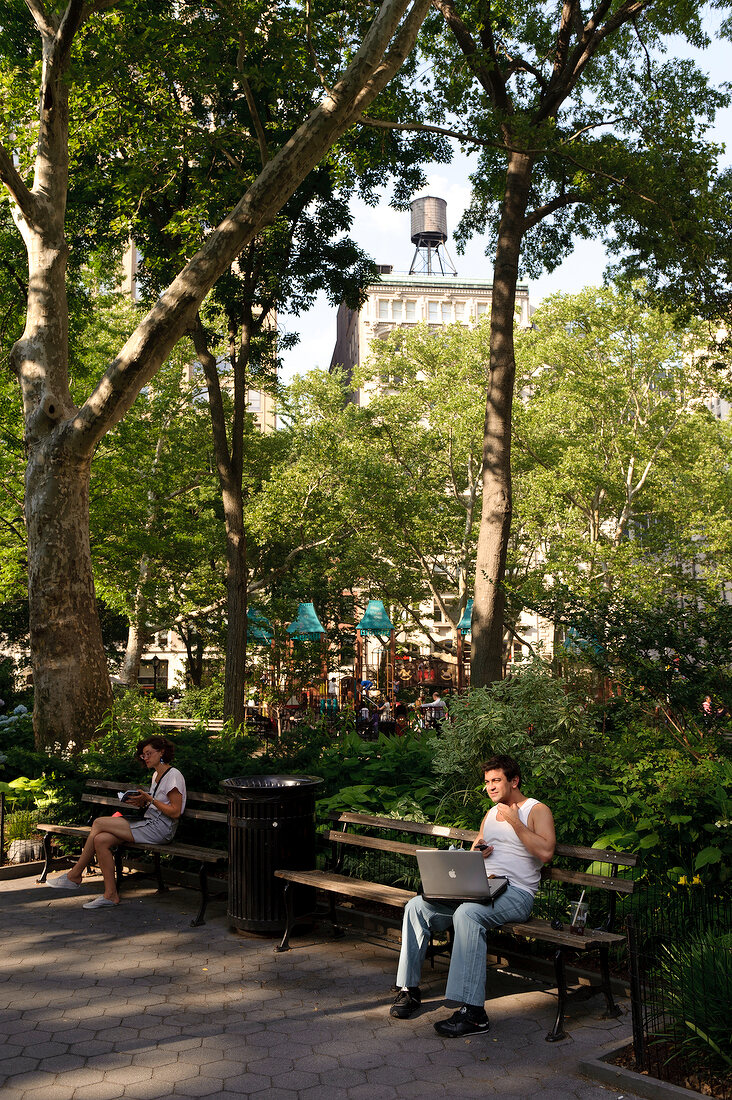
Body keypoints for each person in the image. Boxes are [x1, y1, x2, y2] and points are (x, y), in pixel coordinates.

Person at [390, 754, 555, 1037]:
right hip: (480, 889)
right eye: (487, 782)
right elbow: (474, 851)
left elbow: (546, 853)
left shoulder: (536, 811)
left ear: (514, 781)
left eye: (496, 780)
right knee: (417, 906)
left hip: (516, 893)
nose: (490, 787)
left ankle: (474, 1014)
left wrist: (515, 822)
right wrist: (477, 852)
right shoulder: (490, 814)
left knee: (468, 915)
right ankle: (409, 989)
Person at [46, 736, 186, 910]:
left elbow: (175, 811)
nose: (146, 758)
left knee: (98, 823)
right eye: (143, 755)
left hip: (160, 829)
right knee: (101, 840)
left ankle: (74, 875)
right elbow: (156, 803)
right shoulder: (156, 775)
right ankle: (110, 895)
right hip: (149, 823)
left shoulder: (173, 775)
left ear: (162, 752)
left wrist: (150, 800)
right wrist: (141, 802)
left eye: (149, 753)